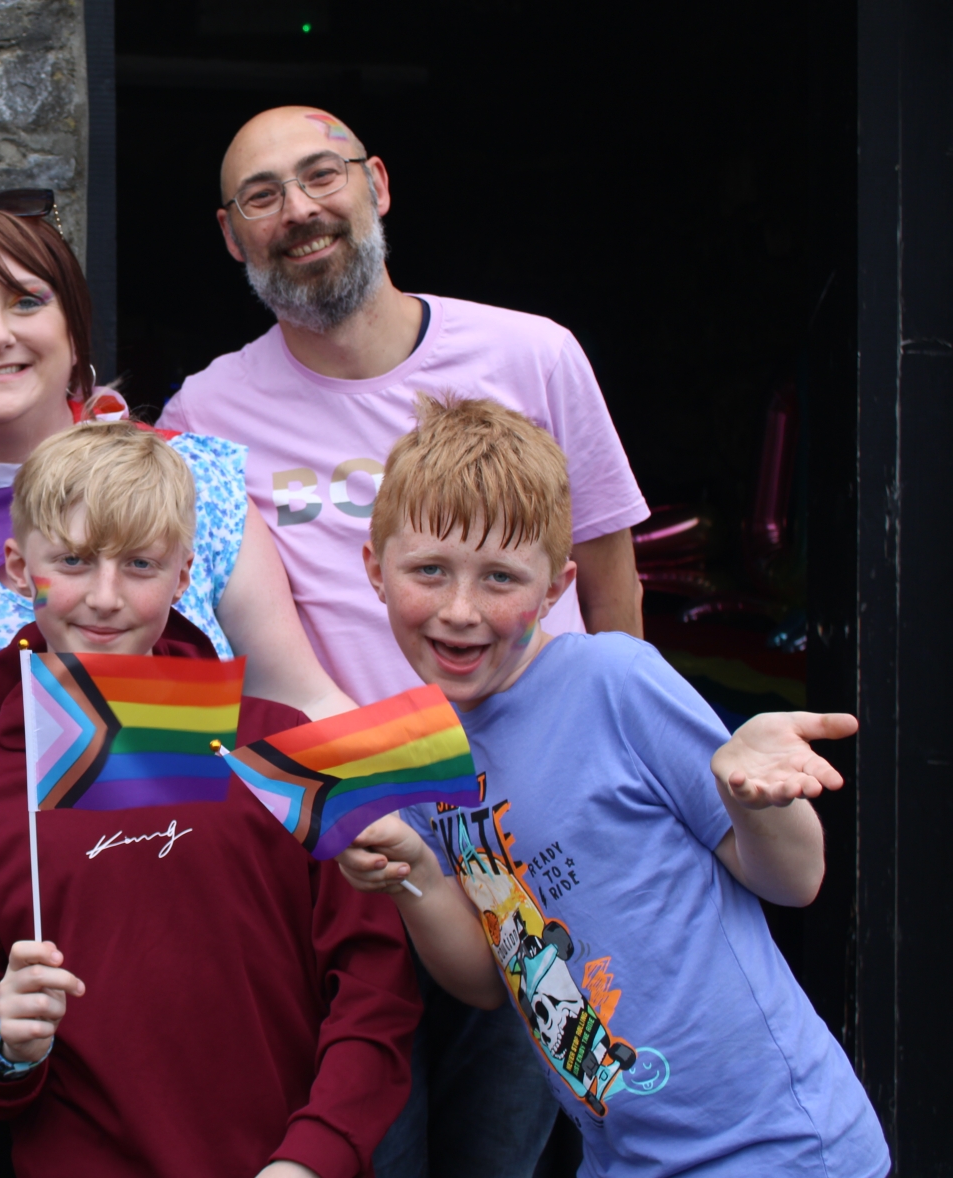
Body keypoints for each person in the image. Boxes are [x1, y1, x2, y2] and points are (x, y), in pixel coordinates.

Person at [156, 106, 652, 1176]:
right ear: (232, 235)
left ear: (377, 183)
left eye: (322, 175)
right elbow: (192, 642)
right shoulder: (204, 413)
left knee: (514, 1147)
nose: (300, 210)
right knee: (368, 1151)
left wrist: (630, 778)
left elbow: (609, 576)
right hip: (351, 866)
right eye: (262, 196)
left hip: (537, 852)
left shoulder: (533, 354)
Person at [0, 191, 355, 1177]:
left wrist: (414, 825)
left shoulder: (188, 482)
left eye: (27, 300)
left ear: (75, 328)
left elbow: (300, 701)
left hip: (194, 993)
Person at [335, 394, 887, 1176]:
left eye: (499, 578)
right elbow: (490, 981)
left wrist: (758, 802)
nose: (460, 610)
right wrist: (413, 871)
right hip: (623, 1156)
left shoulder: (613, 681)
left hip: (776, 1147)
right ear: (375, 571)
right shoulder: (423, 760)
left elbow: (795, 880)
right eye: (430, 571)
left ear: (556, 589)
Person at [0, 420, 420, 1178]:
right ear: (21, 569)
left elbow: (375, 987)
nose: (105, 597)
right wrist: (5, 1043)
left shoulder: (282, 748)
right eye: (74, 561)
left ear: (185, 576)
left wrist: (315, 1154)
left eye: (140, 564)